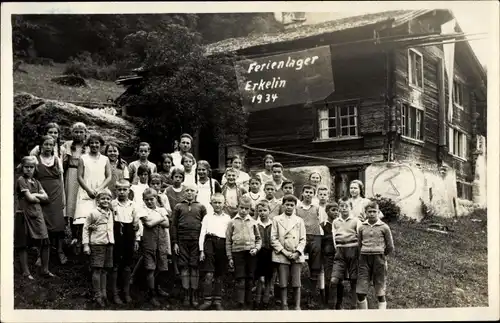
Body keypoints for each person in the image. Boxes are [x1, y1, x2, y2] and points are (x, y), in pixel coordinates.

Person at [15, 156, 54, 280]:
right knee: (23, 243)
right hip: (23, 214)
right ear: (22, 167)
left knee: (45, 241)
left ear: (35, 168)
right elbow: (29, 199)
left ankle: (45, 269)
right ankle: (26, 272)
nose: (29, 170)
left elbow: (46, 198)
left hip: (37, 214)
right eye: (26, 167)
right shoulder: (21, 180)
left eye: (31, 167)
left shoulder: (37, 182)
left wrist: (35, 194)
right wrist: (38, 197)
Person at [74, 132, 112, 253]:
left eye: (97, 143)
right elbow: (79, 177)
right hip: (86, 191)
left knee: (99, 219)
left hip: (100, 192)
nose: (94, 145)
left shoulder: (105, 159)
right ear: (88, 144)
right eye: (92, 143)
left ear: (101, 144)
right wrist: (89, 190)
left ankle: (97, 245)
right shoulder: (83, 158)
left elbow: (109, 176)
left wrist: (100, 189)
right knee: (84, 220)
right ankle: (83, 245)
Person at [171, 183, 207, 308]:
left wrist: (202, 244)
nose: (190, 192)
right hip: (182, 241)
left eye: (192, 190)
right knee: (184, 266)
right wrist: (175, 242)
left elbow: (205, 225)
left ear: (196, 192)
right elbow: (174, 225)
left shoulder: (201, 207)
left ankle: (194, 293)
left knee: (195, 265)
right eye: (187, 190)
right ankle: (186, 294)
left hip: (196, 241)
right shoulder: (178, 206)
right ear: (184, 192)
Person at [35, 135, 67, 265]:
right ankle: (40, 254)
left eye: (51, 145)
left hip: (56, 193)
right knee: (41, 224)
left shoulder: (57, 159)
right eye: (46, 144)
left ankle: (59, 251)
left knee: (58, 224)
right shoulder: (35, 159)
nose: (48, 147)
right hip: (41, 192)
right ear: (41, 145)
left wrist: (63, 196)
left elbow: (61, 179)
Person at [270, 194, 306, 310]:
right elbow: (273, 238)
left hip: (296, 255)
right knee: (283, 282)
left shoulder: (299, 221)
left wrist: (297, 252)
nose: (289, 207)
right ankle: (284, 304)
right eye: (287, 205)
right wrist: (284, 252)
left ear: (295, 206)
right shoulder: (277, 219)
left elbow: (303, 239)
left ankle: (297, 305)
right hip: (282, 254)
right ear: (283, 205)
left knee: (296, 282)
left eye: (292, 205)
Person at [225, 196, 262, 310]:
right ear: (238, 207)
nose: (243, 211)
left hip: (250, 254)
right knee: (240, 278)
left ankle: (249, 301)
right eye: (241, 208)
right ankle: (240, 302)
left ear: (249, 209)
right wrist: (230, 257)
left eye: (246, 209)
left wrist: (256, 249)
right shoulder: (232, 222)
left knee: (250, 279)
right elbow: (228, 240)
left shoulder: (253, 222)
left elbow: (258, 239)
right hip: (237, 253)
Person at [356, 201, 394, 310]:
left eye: (374, 212)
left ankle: (381, 317)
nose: (372, 214)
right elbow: (359, 244)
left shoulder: (384, 227)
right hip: (364, 259)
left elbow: (390, 246)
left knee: (380, 291)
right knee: (360, 292)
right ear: (366, 213)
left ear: (378, 212)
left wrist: (381, 253)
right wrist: (364, 252)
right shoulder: (362, 227)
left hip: (379, 259)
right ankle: (365, 316)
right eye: (369, 212)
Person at [137, 188, 171, 306]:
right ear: (143, 200)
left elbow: (167, 224)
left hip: (161, 241)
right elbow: (149, 224)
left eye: (152, 199)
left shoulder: (161, 209)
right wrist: (161, 218)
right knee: (150, 267)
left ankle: (157, 288)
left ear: (156, 198)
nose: (150, 202)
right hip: (149, 241)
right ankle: (151, 294)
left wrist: (159, 219)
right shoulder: (142, 210)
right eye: (147, 200)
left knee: (160, 266)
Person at [198, 194, 232, 310]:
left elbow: (229, 235)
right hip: (209, 243)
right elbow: (202, 234)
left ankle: (217, 301)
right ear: (211, 203)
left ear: (224, 203)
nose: (217, 205)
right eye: (215, 202)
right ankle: (207, 300)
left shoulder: (227, 218)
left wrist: (229, 252)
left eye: (220, 203)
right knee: (209, 273)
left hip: (222, 245)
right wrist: (201, 250)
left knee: (219, 274)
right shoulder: (207, 217)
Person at [110, 180, 141, 304]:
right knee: (115, 265)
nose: (122, 192)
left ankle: (126, 292)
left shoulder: (133, 205)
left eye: (125, 189)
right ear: (115, 190)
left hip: (129, 235)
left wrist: (137, 239)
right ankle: (115, 293)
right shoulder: (112, 204)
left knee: (127, 265)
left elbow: (136, 223)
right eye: (119, 189)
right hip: (115, 235)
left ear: (129, 190)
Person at [82, 189, 115, 307]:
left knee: (105, 270)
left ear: (111, 200)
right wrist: (86, 245)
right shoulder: (93, 213)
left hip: (109, 243)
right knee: (97, 269)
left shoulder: (111, 212)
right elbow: (86, 228)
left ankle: (104, 293)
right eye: (103, 199)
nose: (105, 201)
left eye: (108, 199)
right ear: (97, 201)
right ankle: (97, 295)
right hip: (97, 244)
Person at [330, 196, 362, 310]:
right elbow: (335, 238)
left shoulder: (356, 221)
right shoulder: (335, 222)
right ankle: (336, 305)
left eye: (346, 206)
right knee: (334, 280)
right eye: (341, 206)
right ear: (339, 208)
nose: (344, 209)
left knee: (354, 279)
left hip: (353, 251)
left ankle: (354, 306)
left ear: (351, 207)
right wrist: (338, 249)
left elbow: (360, 237)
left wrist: (358, 252)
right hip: (340, 252)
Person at [296, 184, 323, 308]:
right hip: (301, 238)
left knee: (315, 266)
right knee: (296, 264)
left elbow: (321, 223)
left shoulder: (317, 208)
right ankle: (295, 294)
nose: (308, 194)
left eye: (311, 192)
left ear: (314, 194)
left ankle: (311, 296)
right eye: (306, 192)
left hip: (315, 237)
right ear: (302, 193)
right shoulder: (297, 207)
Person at [62, 122, 89, 239]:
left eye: (81, 132)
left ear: (85, 133)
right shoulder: (67, 145)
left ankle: (83, 236)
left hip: (85, 176)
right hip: (71, 175)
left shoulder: (88, 146)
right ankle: (73, 235)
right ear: (72, 133)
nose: (78, 134)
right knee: (72, 204)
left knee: (83, 204)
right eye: (76, 132)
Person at [321, 202, 344, 309]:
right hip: (328, 256)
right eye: (333, 210)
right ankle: (328, 304)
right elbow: (320, 242)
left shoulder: (342, 225)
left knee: (339, 280)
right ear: (327, 211)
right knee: (329, 279)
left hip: (340, 256)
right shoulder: (323, 226)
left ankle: (339, 304)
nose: (336, 212)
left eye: (337, 210)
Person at [254, 200, 274, 310]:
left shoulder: (273, 224)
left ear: (269, 211)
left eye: (265, 210)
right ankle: (257, 300)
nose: (262, 213)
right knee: (260, 279)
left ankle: (266, 300)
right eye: (260, 211)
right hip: (259, 254)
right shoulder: (255, 224)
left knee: (268, 278)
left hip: (270, 254)